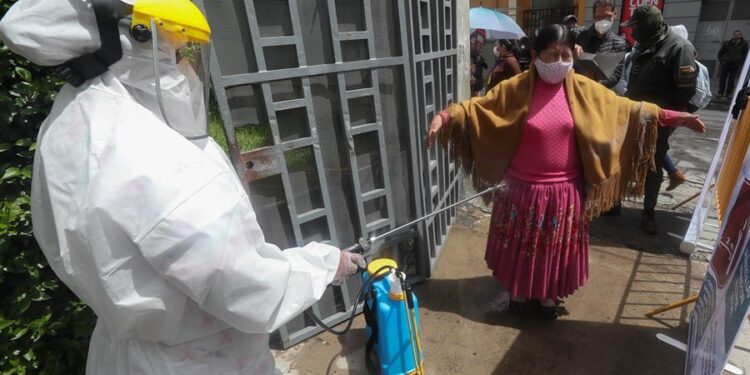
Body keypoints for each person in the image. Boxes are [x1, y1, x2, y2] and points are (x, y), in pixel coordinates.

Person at [0, 0, 365, 373]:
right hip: (203, 361)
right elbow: (249, 288)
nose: (186, 66)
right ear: (137, 42)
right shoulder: (154, 155)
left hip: (122, 353)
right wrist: (324, 264)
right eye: (177, 52)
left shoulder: (69, 121)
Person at [426, 24, 704, 319]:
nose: (559, 61)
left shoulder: (585, 89)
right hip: (521, 191)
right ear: (535, 55)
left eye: (565, 54)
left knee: (553, 252)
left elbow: (629, 110)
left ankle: (547, 296)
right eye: (551, 54)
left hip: (564, 193)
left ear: (574, 54)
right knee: (521, 248)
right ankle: (518, 293)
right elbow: (477, 108)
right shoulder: (515, 88)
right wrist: (444, 117)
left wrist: (675, 117)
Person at [623, 5, 698, 234]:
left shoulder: (679, 47)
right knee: (625, 156)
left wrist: (665, 115)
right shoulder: (644, 43)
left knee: (653, 163)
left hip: (660, 118)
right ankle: (614, 204)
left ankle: (648, 214)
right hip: (634, 111)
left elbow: (685, 91)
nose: (632, 31)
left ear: (648, 25)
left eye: (635, 26)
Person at [575, 0, 629, 88]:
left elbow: (616, 75)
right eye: (598, 17)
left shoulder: (619, 43)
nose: (603, 21)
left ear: (614, 14)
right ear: (593, 17)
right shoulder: (580, 35)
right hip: (578, 86)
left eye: (607, 17)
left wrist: (598, 83)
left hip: (600, 91)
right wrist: (572, 46)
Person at [717, 30, 749, 99]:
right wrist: (722, 61)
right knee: (722, 79)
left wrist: (740, 63)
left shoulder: (744, 44)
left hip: (735, 65)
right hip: (726, 64)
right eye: (734, 35)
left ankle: (729, 94)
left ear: (740, 35)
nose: (736, 36)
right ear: (733, 35)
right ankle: (720, 92)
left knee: (732, 80)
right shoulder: (727, 43)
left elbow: (746, 55)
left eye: (738, 35)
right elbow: (720, 53)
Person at [471, 29, 489, 96]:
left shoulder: (479, 60)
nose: (480, 49)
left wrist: (475, 81)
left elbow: (480, 85)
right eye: (480, 46)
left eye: (481, 46)